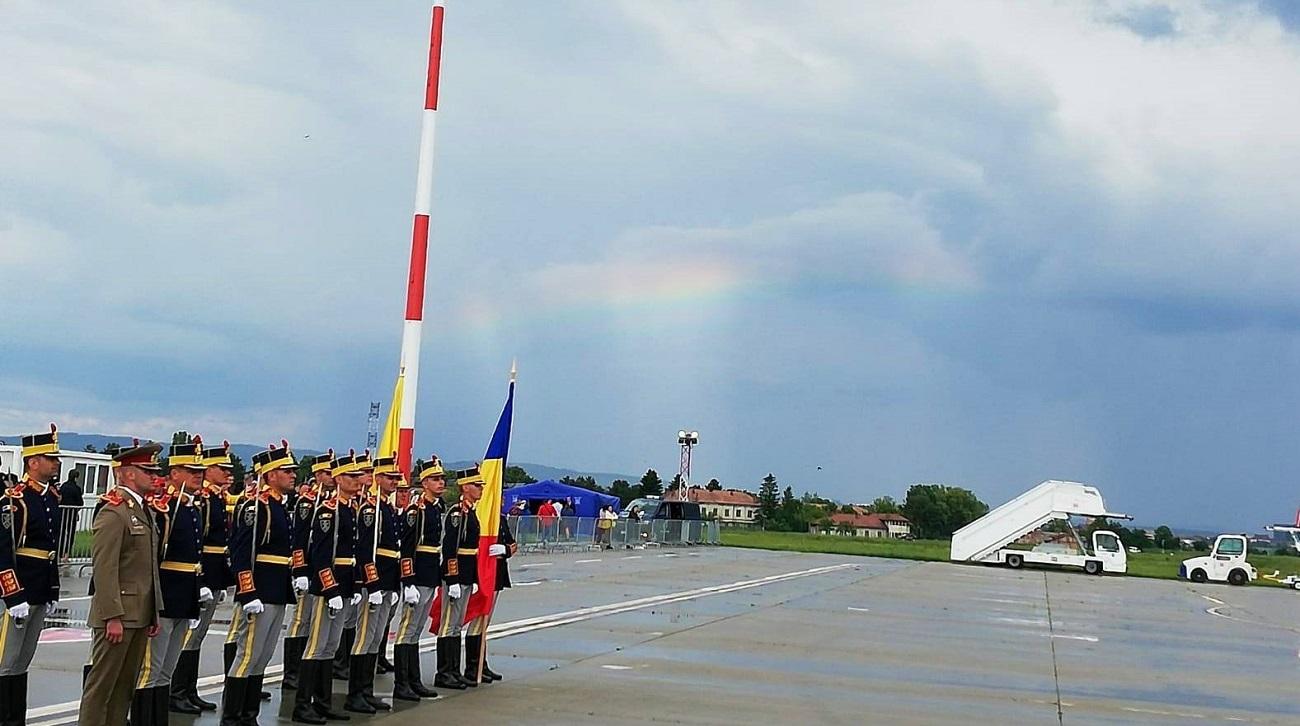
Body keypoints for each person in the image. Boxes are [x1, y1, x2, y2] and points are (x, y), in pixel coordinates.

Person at [79, 441, 164, 726]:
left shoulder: (143, 510)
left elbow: (147, 567)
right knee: (101, 687)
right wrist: (112, 616)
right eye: (147, 470)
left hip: (138, 614)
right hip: (118, 616)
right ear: (128, 474)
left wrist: (153, 611)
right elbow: (104, 569)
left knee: (124, 688)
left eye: (155, 470)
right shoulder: (114, 512)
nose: (155, 476)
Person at [221, 442, 298, 726]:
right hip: (260, 589)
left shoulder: (278, 505)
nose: (293, 475)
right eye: (286, 471)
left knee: (262, 656)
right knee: (247, 654)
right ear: (270, 474)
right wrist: (247, 590)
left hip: (277, 588)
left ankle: (249, 715)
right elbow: (242, 552)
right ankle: (232, 717)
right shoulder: (257, 506)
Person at [132, 440, 208, 725]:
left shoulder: (189, 507)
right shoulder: (164, 508)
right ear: (174, 473)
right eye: (191, 470)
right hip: (165, 594)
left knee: (167, 668)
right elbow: (152, 556)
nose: (198, 475)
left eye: (200, 471)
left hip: (185, 594)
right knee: (150, 668)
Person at [293, 450, 364, 724]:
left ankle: (322, 702)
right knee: (316, 646)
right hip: (329, 586)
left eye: (358, 476)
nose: (357, 480)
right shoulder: (328, 511)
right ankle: (303, 704)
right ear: (337, 479)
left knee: (331, 647)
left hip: (346, 582)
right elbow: (322, 555)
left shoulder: (350, 508)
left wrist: (355, 584)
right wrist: (330, 588)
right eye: (351, 476)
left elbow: (355, 550)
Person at [0, 424, 64, 726]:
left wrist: (52, 590)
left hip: (39, 589)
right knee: (6, 661)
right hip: (19, 593)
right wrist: (13, 596)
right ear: (32, 462)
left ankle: (16, 719)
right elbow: (3, 552)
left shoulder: (50, 497)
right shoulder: (16, 500)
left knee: (22, 661)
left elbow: (49, 550)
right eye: (50, 459)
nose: (56, 464)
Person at [172, 439, 235, 713]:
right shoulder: (204, 500)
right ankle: (177, 691)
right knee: (189, 635)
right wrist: (204, 580)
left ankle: (189, 689)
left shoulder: (216, 498)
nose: (228, 474)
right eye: (222, 468)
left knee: (198, 636)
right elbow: (200, 542)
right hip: (204, 572)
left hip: (215, 571)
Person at [345, 457, 401, 713]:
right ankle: (356, 693)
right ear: (378, 479)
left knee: (375, 638)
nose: (394, 482)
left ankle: (366, 691)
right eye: (390, 477)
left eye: (396, 478)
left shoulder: (386, 507)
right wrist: (372, 582)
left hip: (388, 580)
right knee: (364, 638)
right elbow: (366, 550)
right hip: (374, 581)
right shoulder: (371, 509)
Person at [394, 456, 444, 699]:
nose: (441, 483)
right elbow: (408, 547)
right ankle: (401, 683)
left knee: (416, 630)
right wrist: (408, 581)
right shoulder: (417, 510)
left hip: (430, 573)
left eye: (442, 479)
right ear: (424, 483)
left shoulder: (436, 507)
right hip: (418, 573)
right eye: (435, 479)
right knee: (407, 628)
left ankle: (413, 680)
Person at [283, 451, 333, 693]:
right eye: (326, 472)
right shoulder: (307, 502)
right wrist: (300, 568)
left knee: (315, 623)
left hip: (321, 570)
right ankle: (291, 671)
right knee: (300, 621)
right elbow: (300, 538)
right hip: (308, 570)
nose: (331, 476)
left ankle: (304, 667)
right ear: (316, 475)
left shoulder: (328, 502)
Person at [435, 466, 483, 688]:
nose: (480, 489)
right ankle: (444, 672)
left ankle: (454, 670)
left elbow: (472, 550)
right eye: (476, 485)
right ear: (465, 487)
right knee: (448, 624)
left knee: (456, 625)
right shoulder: (457, 513)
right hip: (455, 575)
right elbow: (450, 547)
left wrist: (472, 577)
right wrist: (452, 579)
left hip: (466, 573)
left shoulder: (471, 511)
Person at [464, 513, 514, 684]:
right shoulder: (481, 514)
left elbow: (512, 544)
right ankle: (472, 667)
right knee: (477, 619)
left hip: (497, 571)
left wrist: (505, 550)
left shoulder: (500, 519)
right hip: (481, 572)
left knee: (486, 621)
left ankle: (481, 664)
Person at [59, 469, 84, 561]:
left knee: (61, 533)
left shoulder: (63, 486)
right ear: (76, 478)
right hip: (72, 514)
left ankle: (59, 552)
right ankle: (66, 554)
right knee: (70, 534)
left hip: (61, 513)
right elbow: (80, 503)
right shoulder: (76, 488)